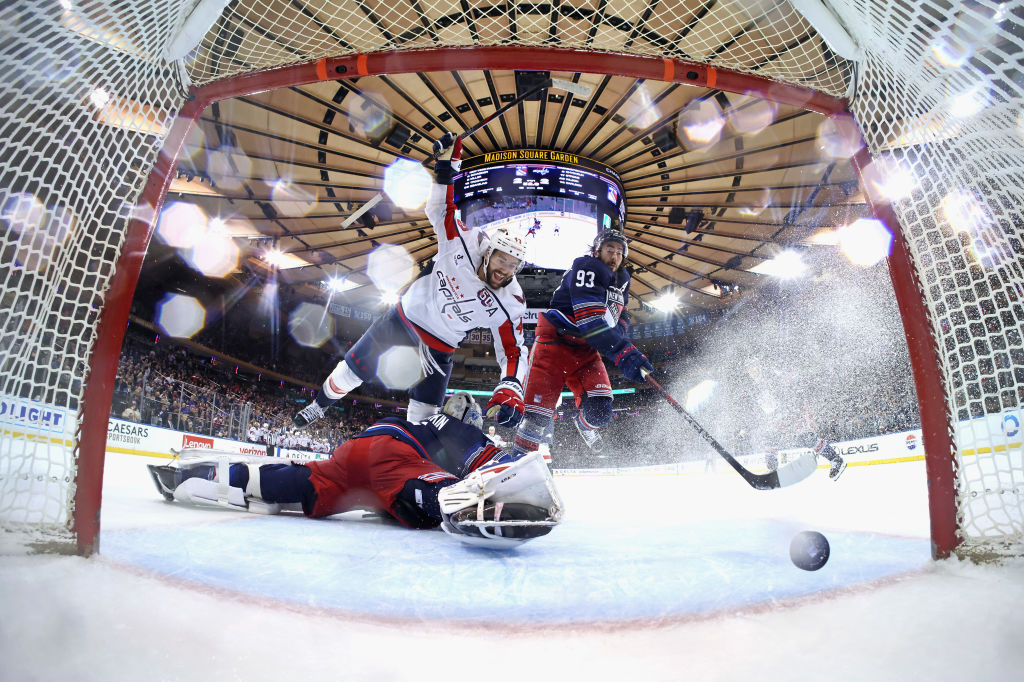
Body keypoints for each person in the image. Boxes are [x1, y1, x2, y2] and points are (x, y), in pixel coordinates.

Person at [292, 132, 529, 431]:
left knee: (423, 418)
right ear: (488, 252)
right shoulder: (465, 242)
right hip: (402, 319)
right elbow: (441, 209)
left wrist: (511, 385)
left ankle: (413, 463)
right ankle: (318, 406)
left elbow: (513, 349)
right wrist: (446, 168)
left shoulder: (511, 300)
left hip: (439, 346)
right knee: (351, 372)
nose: (505, 270)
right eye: (501, 260)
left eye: (513, 265)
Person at [148, 393, 563, 548]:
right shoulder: (453, 428)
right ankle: (479, 518)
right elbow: (496, 464)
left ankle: (214, 476)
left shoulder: (424, 422)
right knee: (450, 494)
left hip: (355, 450)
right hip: (394, 458)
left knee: (305, 481)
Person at [511, 230, 653, 458]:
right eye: (610, 250)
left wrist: (618, 335)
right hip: (555, 343)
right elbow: (590, 321)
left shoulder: (623, 278)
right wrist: (624, 353)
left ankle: (585, 426)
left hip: (586, 349)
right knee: (536, 418)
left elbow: (622, 315)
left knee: (601, 411)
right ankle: (517, 467)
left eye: (619, 252)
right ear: (597, 251)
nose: (615, 256)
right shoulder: (587, 266)